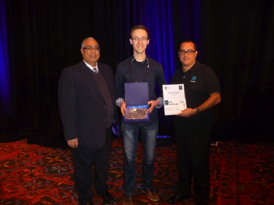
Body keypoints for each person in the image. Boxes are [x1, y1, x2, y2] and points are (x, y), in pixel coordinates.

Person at [58, 37, 118, 205]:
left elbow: (110, 97)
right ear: (82, 51)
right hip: (84, 133)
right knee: (83, 169)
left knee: (102, 165)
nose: (93, 51)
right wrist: (71, 134)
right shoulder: (71, 73)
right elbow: (66, 106)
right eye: (89, 48)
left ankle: (101, 189)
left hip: (106, 131)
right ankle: (85, 198)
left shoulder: (106, 70)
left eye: (96, 48)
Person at [115, 25, 166, 205]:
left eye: (143, 38)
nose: (139, 42)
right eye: (136, 38)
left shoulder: (157, 67)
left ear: (148, 41)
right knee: (129, 158)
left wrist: (157, 102)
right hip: (129, 120)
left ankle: (147, 186)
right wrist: (121, 102)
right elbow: (116, 92)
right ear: (130, 42)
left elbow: (164, 92)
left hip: (150, 119)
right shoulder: (121, 67)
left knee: (149, 157)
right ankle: (129, 191)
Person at [167, 40, 221, 205]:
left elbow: (216, 97)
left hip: (199, 126)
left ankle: (202, 198)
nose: (186, 54)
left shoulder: (205, 72)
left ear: (196, 53)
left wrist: (196, 110)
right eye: (182, 51)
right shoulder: (176, 74)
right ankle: (183, 192)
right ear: (178, 54)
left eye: (189, 51)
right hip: (180, 126)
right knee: (182, 161)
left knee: (199, 164)